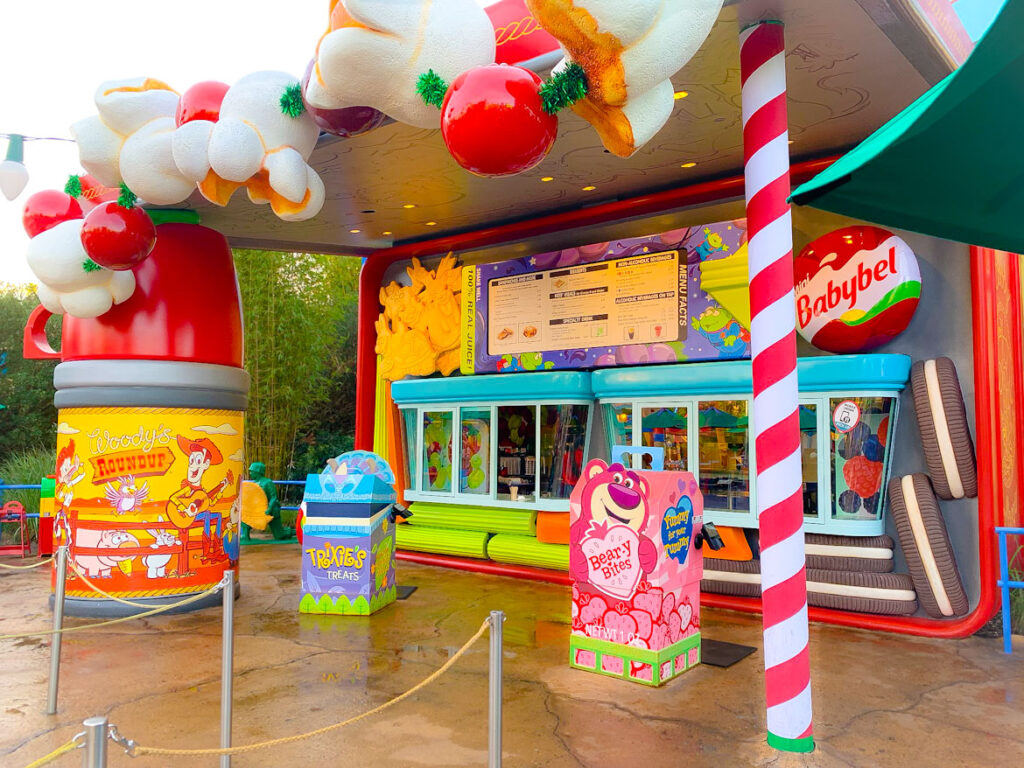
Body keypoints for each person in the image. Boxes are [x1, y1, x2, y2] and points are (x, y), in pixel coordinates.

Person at [242, 461, 294, 541]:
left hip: (271, 510)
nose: (250, 473)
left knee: (279, 536)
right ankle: (245, 535)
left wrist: (269, 509)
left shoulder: (267, 483)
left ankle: (291, 531)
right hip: (259, 511)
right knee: (245, 518)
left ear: (258, 472)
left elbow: (273, 497)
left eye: (252, 472)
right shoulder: (254, 483)